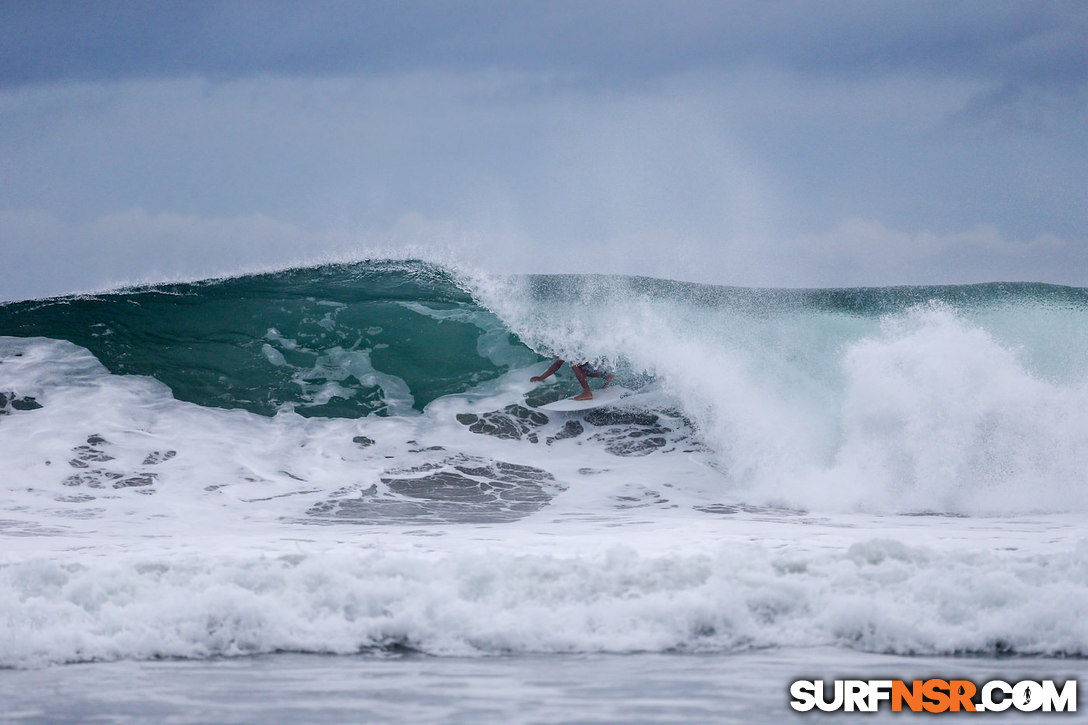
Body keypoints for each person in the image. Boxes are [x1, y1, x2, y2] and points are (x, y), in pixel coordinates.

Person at [530, 359, 614, 401]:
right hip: (599, 357)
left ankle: (587, 392)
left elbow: (557, 364)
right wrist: (541, 377)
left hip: (596, 358)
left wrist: (542, 377)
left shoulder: (569, 346)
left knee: (573, 363)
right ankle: (606, 376)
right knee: (583, 370)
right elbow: (557, 364)